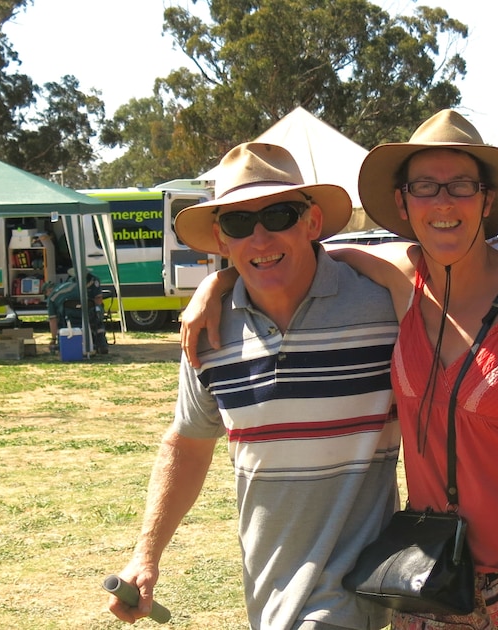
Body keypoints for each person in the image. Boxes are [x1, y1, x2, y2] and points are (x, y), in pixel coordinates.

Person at [183, 109, 498, 630]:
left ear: (486, 199)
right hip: (430, 577)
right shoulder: (398, 281)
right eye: (424, 187)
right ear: (402, 202)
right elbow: (297, 254)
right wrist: (221, 283)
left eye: (460, 186)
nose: (442, 202)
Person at [108, 142, 402, 630]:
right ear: (222, 241)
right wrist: (145, 556)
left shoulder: (380, 308)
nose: (260, 237)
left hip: (351, 596)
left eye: (278, 215)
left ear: (311, 223)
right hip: (268, 594)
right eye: (239, 224)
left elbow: (433, 260)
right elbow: (187, 444)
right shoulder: (208, 334)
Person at [43, 271, 109, 355]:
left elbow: (53, 320)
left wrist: (53, 339)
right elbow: (95, 300)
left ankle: (63, 344)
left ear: (48, 290)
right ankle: (101, 343)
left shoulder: (51, 298)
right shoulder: (74, 286)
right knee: (97, 321)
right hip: (88, 315)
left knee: (60, 321)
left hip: (68, 319)